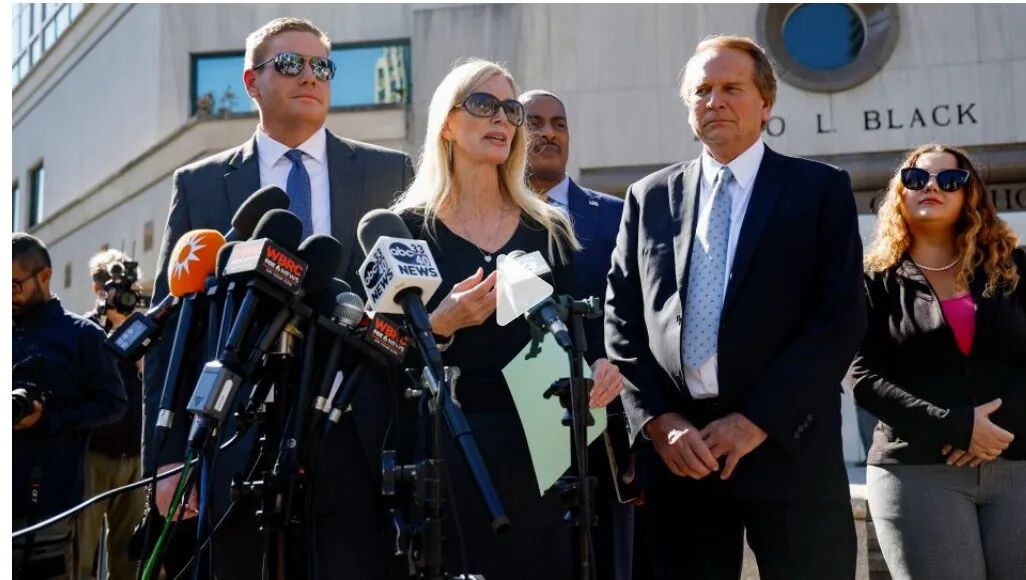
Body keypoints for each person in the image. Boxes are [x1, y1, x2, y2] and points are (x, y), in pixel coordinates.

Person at [143, 17, 413, 579]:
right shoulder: (200, 185)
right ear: (251, 81)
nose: (309, 76)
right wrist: (166, 458)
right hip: (235, 433)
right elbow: (172, 331)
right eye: (290, 64)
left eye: (322, 66)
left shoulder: (389, 174)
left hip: (353, 430)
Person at [604, 35, 866, 580]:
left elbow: (838, 318)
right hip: (682, 457)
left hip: (788, 444)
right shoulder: (649, 197)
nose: (714, 101)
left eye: (731, 88)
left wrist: (756, 421)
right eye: (702, 91)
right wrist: (658, 422)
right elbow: (622, 320)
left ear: (765, 104)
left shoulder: (818, 190)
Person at [391, 58, 579, 579]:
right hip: (446, 448)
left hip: (543, 445)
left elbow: (581, 333)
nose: (501, 118)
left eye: (510, 110)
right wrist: (439, 325)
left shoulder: (549, 228)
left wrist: (602, 367)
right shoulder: (407, 230)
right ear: (447, 124)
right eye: (483, 104)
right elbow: (379, 349)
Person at [852, 144, 1026, 580]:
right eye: (916, 179)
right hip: (917, 471)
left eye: (949, 180)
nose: (931, 186)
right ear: (900, 193)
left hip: (1017, 461)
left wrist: (994, 428)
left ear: (970, 195)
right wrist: (956, 426)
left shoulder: (1014, 268)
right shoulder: (871, 281)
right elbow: (860, 376)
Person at [520, 89, 633, 580]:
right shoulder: (489, 217)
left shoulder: (616, 215)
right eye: (534, 122)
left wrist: (618, 365)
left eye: (559, 123)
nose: (549, 133)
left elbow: (642, 312)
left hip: (605, 423)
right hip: (519, 427)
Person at [13, 233, 127, 579]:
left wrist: (49, 419)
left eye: (14, 285)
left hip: (50, 507)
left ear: (45, 276)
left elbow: (113, 404)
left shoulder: (82, 335)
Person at [77, 249, 147, 580]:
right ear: (97, 288)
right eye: (111, 286)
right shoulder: (84, 330)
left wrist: (131, 332)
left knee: (130, 555)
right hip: (93, 456)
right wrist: (113, 329)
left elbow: (151, 378)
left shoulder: (143, 328)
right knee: (81, 553)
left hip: (134, 457)